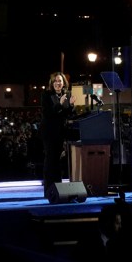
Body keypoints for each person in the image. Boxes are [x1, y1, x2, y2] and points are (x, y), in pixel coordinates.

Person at [40, 71, 77, 199]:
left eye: (60, 81)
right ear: (52, 83)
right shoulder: (46, 95)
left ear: (63, 83)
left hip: (61, 131)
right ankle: (49, 190)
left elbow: (67, 115)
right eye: (55, 81)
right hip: (49, 132)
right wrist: (59, 104)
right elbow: (48, 114)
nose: (58, 83)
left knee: (58, 161)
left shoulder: (66, 94)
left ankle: (58, 188)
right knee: (50, 160)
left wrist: (71, 106)